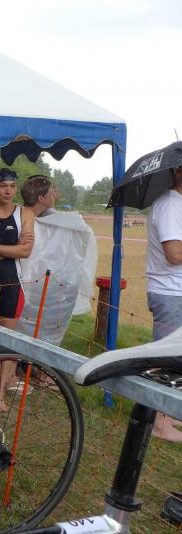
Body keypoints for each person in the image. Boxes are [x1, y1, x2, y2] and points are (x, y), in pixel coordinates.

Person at [0, 168, 35, 412]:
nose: (8, 191)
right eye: (3, 185)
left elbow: (25, 251)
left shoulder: (25, 213)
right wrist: (11, 248)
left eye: (12, 186)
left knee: (5, 340)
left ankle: (0, 394)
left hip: (12, 282)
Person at [145, 166, 182, 442]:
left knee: (176, 356)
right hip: (169, 292)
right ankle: (158, 421)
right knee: (166, 357)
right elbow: (174, 253)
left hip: (175, 291)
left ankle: (168, 411)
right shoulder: (170, 205)